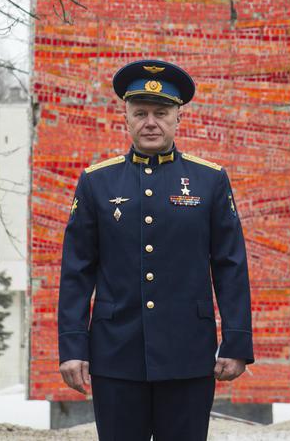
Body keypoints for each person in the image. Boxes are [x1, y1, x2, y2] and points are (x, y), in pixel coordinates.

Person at [58, 59, 253, 441]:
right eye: (141, 113)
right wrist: (72, 346)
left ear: (178, 118)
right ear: (126, 118)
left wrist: (237, 341)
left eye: (161, 113)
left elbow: (230, 265)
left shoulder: (209, 180)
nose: (151, 122)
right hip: (116, 354)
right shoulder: (97, 181)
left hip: (188, 354)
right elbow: (76, 270)